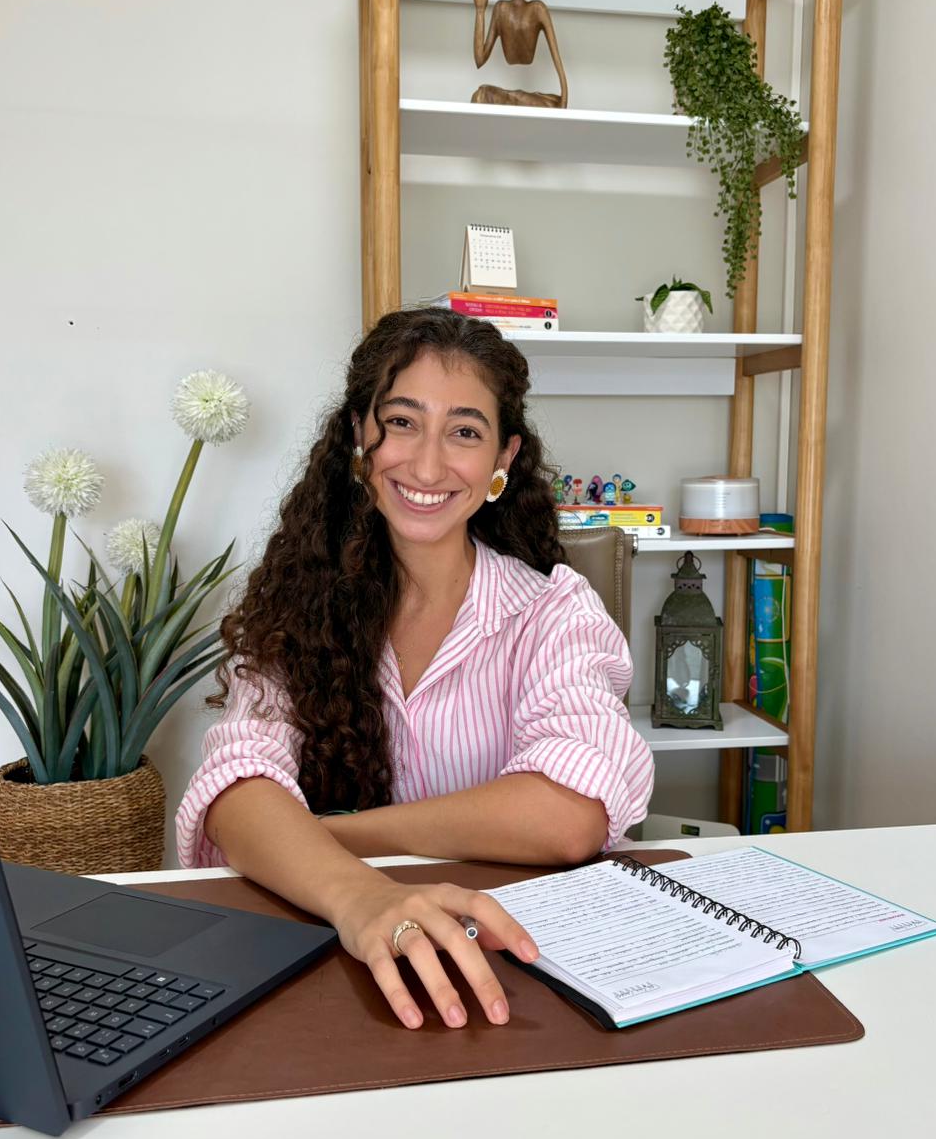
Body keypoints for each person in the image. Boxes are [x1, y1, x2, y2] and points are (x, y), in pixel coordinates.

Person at [176, 308, 654, 1032]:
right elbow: (236, 789)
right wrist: (357, 896)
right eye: (401, 422)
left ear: (503, 459)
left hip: (526, 968)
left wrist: (326, 834)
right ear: (358, 438)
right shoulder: (296, 603)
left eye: (464, 431)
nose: (428, 465)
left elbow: (568, 816)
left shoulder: (553, 611)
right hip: (346, 956)